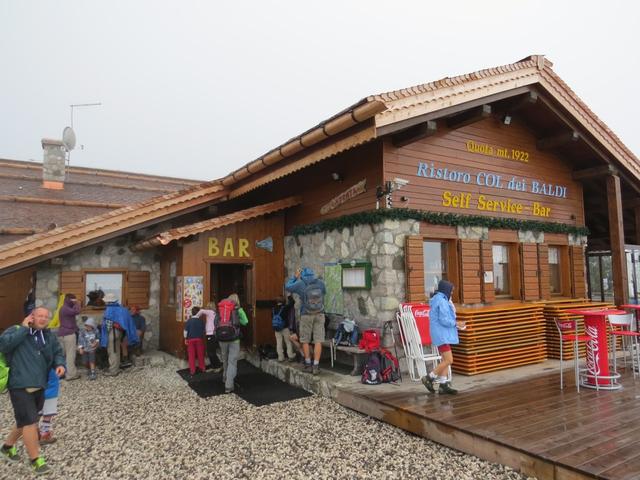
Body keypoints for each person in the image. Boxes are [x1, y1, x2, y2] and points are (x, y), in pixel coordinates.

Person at [0, 307, 66, 475]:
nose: (43, 319)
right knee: (30, 422)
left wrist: (59, 364)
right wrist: (23, 328)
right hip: (19, 384)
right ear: (31, 316)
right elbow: (4, 346)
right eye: (39, 316)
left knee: (27, 419)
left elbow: (57, 352)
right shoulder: (16, 330)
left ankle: (7, 447)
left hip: (39, 384)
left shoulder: (49, 336)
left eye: (46, 317)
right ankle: (35, 460)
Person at [421, 280, 465, 395]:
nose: (451, 293)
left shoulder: (439, 299)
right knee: (449, 359)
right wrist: (457, 324)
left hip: (441, 333)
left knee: (445, 360)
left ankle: (443, 384)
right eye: (451, 291)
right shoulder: (442, 301)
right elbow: (444, 320)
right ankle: (429, 377)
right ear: (446, 290)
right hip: (442, 334)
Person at [285, 267, 326, 375]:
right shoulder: (320, 283)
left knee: (305, 340)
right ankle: (316, 366)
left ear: (302, 275)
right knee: (318, 340)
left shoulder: (300, 284)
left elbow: (287, 287)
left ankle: (308, 364)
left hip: (306, 314)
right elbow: (324, 293)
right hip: (320, 313)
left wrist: (295, 277)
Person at [217, 294, 249, 393]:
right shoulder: (238, 309)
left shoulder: (220, 308)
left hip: (222, 338)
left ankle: (225, 377)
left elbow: (216, 322)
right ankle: (229, 385)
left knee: (225, 359)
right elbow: (245, 322)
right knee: (232, 361)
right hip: (234, 339)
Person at [100, 293, 138, 376]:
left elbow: (108, 324)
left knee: (112, 351)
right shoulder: (122, 309)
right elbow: (126, 322)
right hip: (119, 333)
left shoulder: (109, 309)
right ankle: (116, 368)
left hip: (112, 333)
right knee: (116, 350)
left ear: (108, 302)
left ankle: (113, 371)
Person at [57, 293, 81, 380]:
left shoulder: (63, 308)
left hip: (62, 334)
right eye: (73, 299)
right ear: (70, 299)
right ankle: (71, 375)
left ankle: (62, 373)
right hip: (69, 334)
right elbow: (77, 311)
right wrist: (77, 303)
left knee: (63, 355)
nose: (75, 301)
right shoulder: (66, 308)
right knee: (70, 355)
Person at [194, 301, 223, 372]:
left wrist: (195, 317)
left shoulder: (210, 312)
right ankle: (213, 366)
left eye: (207, 305)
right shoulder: (214, 313)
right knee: (211, 352)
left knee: (211, 352)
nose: (206, 306)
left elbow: (201, 311)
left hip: (211, 334)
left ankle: (218, 366)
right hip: (212, 334)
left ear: (209, 306)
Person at [38, 369, 60, 445]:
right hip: (50, 389)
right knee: (48, 413)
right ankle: (44, 432)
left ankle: (36, 434)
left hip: (36, 386)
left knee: (36, 414)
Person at [184, 306, 206, 377]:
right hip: (199, 339)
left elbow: (185, 332)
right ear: (199, 313)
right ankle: (202, 368)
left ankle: (192, 371)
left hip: (190, 339)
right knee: (200, 354)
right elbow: (203, 331)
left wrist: (185, 338)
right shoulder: (201, 321)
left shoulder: (189, 321)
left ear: (192, 313)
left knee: (191, 355)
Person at [273, 295, 296, 362]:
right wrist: (289, 296)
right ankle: (290, 356)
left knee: (279, 342)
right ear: (283, 301)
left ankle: (280, 357)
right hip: (285, 327)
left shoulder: (273, 309)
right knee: (288, 342)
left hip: (276, 328)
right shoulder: (285, 307)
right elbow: (292, 302)